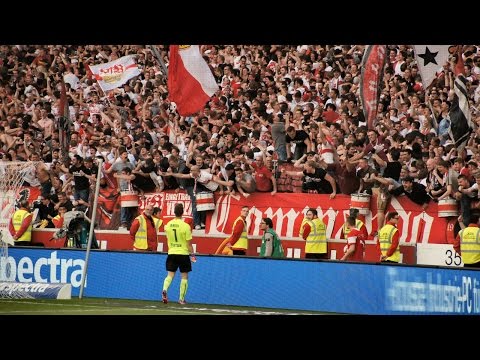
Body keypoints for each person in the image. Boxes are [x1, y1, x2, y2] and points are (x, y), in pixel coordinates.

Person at [162, 203, 194, 305]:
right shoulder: (186, 226)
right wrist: (192, 255)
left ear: (174, 212)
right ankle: (181, 299)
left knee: (170, 275)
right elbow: (189, 244)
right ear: (182, 212)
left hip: (172, 253)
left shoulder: (168, 226)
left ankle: (165, 289)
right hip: (183, 253)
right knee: (184, 277)